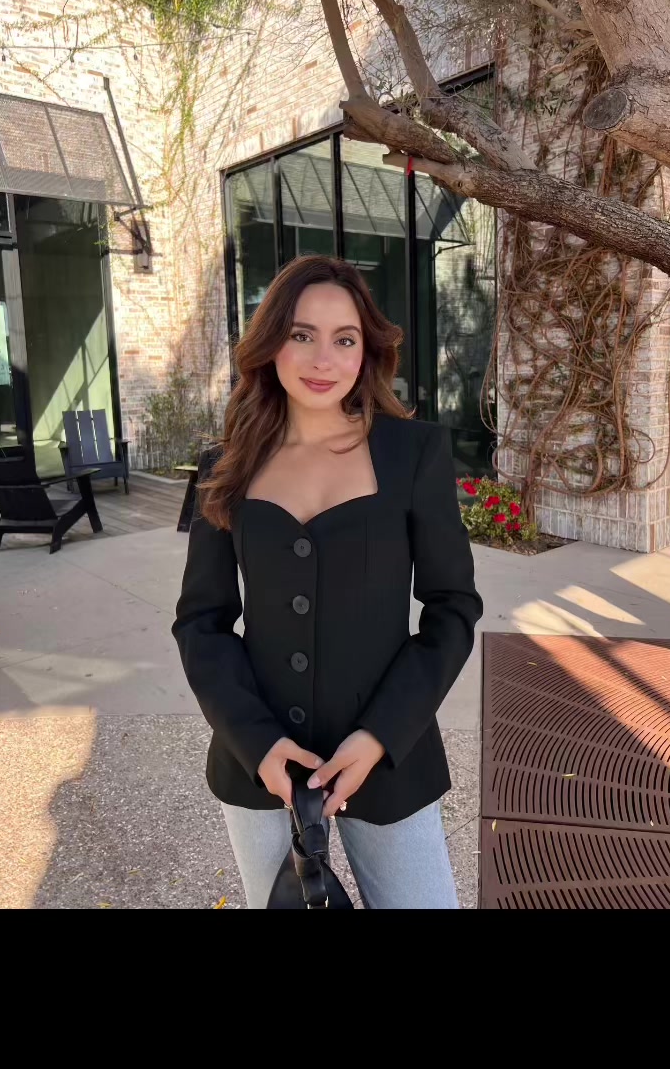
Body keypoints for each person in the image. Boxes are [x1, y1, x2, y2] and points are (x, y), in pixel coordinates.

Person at [172, 254, 483, 909]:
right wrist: (256, 742)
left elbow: (452, 608)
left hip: (387, 755)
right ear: (271, 344)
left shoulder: (413, 453)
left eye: (344, 339)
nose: (323, 360)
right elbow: (202, 622)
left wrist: (379, 736)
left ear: (366, 351)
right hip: (260, 763)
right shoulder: (225, 465)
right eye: (301, 334)